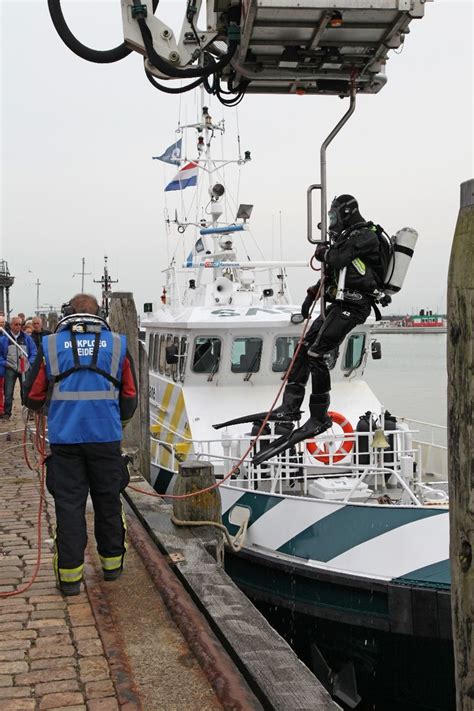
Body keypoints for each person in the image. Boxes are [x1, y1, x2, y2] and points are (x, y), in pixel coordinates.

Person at [214, 195, 385, 464]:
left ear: (346, 214)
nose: (331, 223)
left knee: (318, 354)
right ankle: (290, 408)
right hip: (339, 302)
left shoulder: (365, 236)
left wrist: (323, 252)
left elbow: (338, 260)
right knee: (304, 348)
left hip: (354, 305)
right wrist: (311, 295)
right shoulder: (347, 237)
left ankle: (319, 416)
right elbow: (332, 274)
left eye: (333, 217)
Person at [24, 293, 138, 596]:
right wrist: (115, 422)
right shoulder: (117, 344)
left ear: (67, 312)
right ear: (100, 314)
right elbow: (129, 398)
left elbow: (31, 396)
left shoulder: (49, 345)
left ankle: (70, 579)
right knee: (109, 501)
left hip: (66, 440)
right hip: (105, 440)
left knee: (69, 507)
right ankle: (112, 567)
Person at [3, 316, 37, 420]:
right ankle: (7, 413)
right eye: (16, 324)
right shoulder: (5, 338)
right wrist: (5, 363)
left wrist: (29, 363)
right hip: (10, 368)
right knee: (8, 392)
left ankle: (28, 412)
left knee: (26, 391)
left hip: (24, 368)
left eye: (20, 324)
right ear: (11, 325)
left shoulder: (27, 338)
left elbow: (33, 352)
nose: (18, 326)